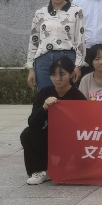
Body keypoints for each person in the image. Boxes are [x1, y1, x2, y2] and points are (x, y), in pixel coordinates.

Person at [21, 55, 84, 185]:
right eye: (53, 75)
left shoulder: (78, 97)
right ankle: (39, 170)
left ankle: (66, 165)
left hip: (71, 140)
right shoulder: (45, 93)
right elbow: (33, 123)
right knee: (27, 134)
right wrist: (44, 108)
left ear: (71, 75)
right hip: (51, 136)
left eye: (62, 74)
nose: (57, 79)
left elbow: (84, 124)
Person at [26, 0, 85, 92]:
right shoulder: (40, 13)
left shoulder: (76, 11)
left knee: (66, 94)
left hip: (67, 57)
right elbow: (33, 41)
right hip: (43, 60)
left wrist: (78, 65)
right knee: (45, 94)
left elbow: (80, 40)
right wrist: (31, 69)